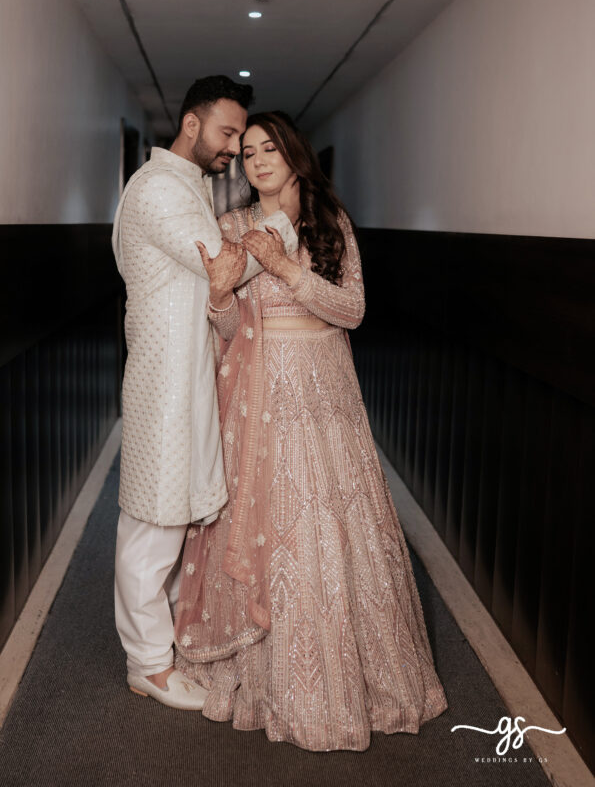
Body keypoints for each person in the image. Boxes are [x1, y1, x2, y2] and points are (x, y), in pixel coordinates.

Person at [175, 111, 448, 749]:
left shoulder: (329, 222)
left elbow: (351, 311)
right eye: (246, 153)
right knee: (266, 523)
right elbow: (227, 331)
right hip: (259, 392)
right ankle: (259, 681)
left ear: (294, 154)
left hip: (326, 398)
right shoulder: (233, 226)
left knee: (329, 524)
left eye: (270, 148)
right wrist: (219, 298)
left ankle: (351, 686)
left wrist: (288, 268)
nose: (258, 161)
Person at [111, 79, 300, 710]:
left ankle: (163, 642)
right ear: (191, 125)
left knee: (179, 513)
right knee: (152, 522)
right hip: (165, 378)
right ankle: (148, 664)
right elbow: (225, 263)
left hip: (188, 372)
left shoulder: (188, 184)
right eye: (226, 135)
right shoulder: (162, 188)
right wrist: (281, 224)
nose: (233, 150)